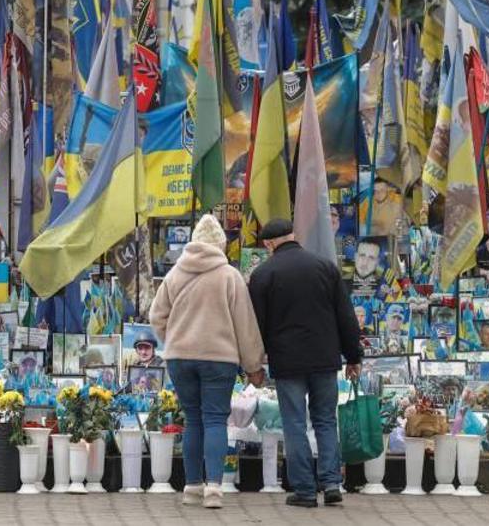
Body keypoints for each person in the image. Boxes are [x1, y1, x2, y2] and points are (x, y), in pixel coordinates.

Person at [149, 214, 265, 510]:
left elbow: (156, 316)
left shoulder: (176, 274)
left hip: (180, 358)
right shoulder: (229, 276)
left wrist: (174, 338)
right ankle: (214, 488)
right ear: (221, 245)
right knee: (215, 420)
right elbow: (245, 325)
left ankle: (191, 487)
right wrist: (253, 366)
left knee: (192, 420)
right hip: (219, 359)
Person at [248, 218, 362, 508]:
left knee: (294, 424)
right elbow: (345, 316)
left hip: (287, 362)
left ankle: (305, 491)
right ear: (293, 236)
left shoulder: (263, 274)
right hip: (325, 358)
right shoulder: (325, 267)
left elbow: (256, 326)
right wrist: (353, 356)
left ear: (268, 244)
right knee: (325, 420)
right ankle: (332, 483)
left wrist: (253, 364)